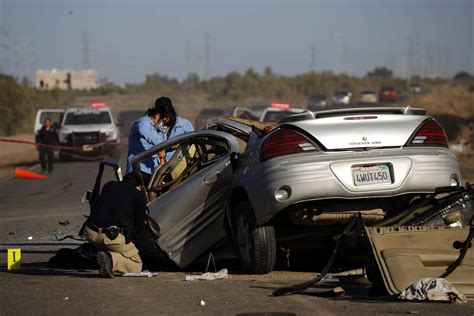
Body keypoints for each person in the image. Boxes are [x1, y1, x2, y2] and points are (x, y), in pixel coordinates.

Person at [83, 172, 147, 277]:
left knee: (111, 245)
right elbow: (139, 228)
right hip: (111, 237)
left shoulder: (109, 185)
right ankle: (110, 260)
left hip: (90, 233)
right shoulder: (138, 194)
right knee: (137, 265)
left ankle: (105, 256)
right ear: (139, 186)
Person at [127, 106, 164, 183]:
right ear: (157, 116)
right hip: (139, 168)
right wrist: (161, 146)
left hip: (148, 169)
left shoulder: (153, 127)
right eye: (162, 119)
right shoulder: (143, 122)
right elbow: (149, 135)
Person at [153, 96, 194, 162]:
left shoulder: (185, 124)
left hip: (182, 164)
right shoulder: (154, 126)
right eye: (162, 116)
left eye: (166, 116)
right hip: (160, 166)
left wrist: (180, 143)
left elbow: (194, 141)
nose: (164, 119)